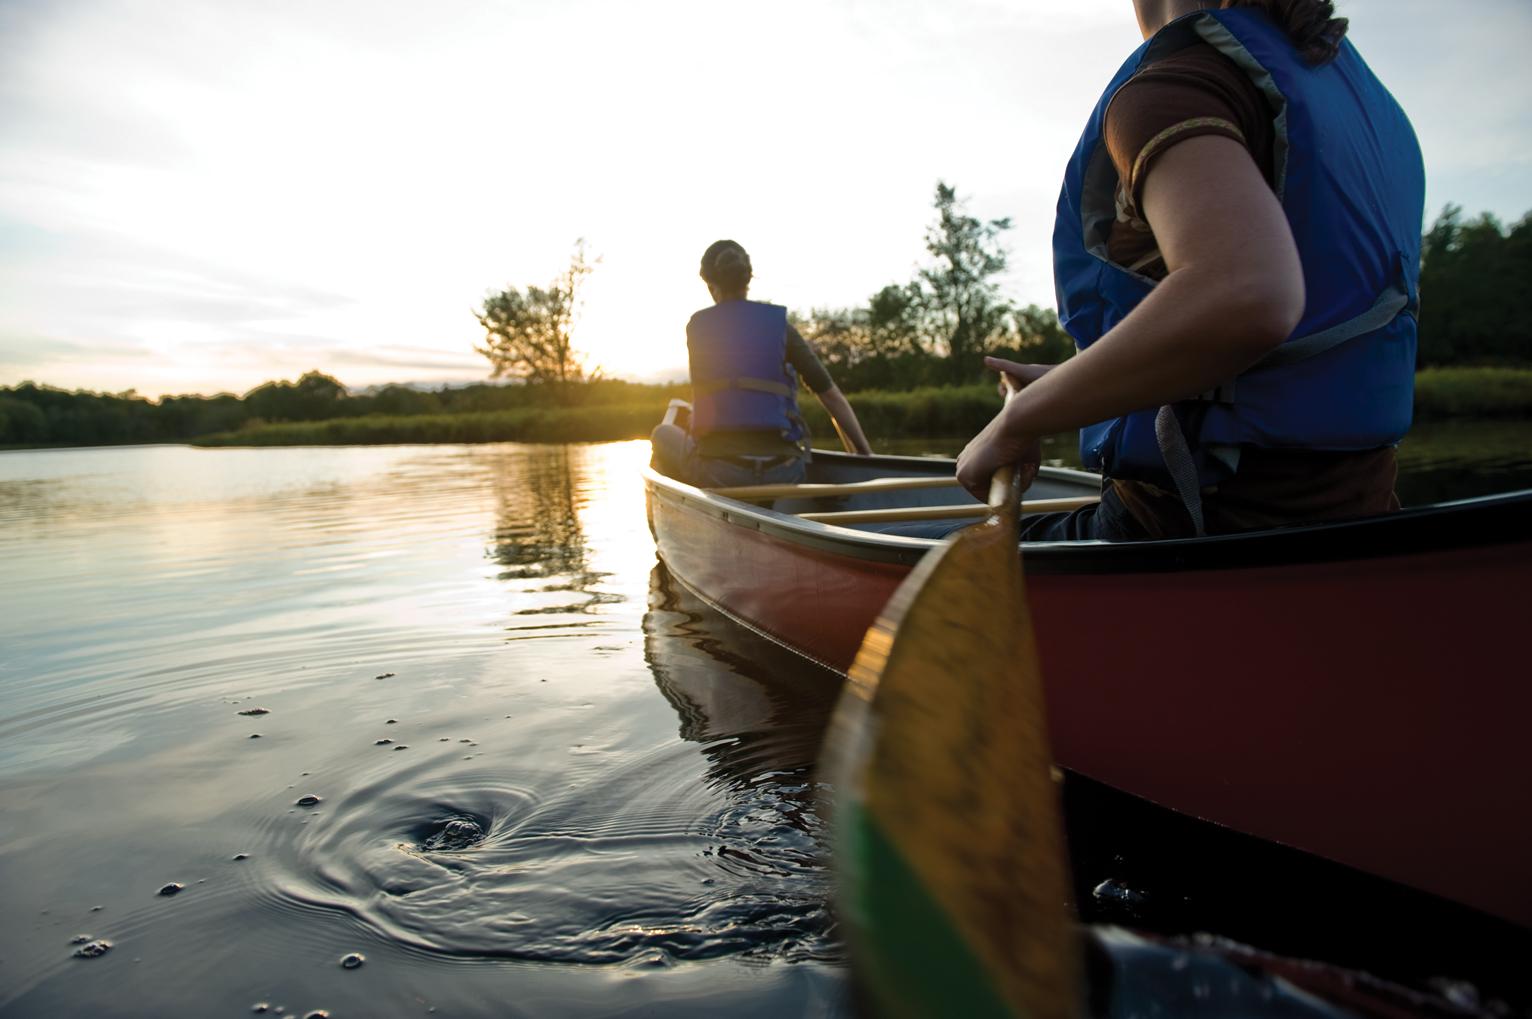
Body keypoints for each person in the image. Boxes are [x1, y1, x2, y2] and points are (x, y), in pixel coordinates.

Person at [956, 0, 1425, 540]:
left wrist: (1023, 417)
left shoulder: (1171, 90)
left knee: (920, 562)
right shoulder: (1354, 100)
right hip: (1363, 510)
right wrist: (1069, 388)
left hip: (1204, 523)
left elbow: (1243, 296)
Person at [651, 240, 872, 488]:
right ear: (748, 279)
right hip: (786, 470)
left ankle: (688, 512)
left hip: (721, 472)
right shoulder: (780, 326)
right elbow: (831, 396)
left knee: (661, 433)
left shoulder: (698, 328)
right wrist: (865, 454)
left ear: (711, 285)